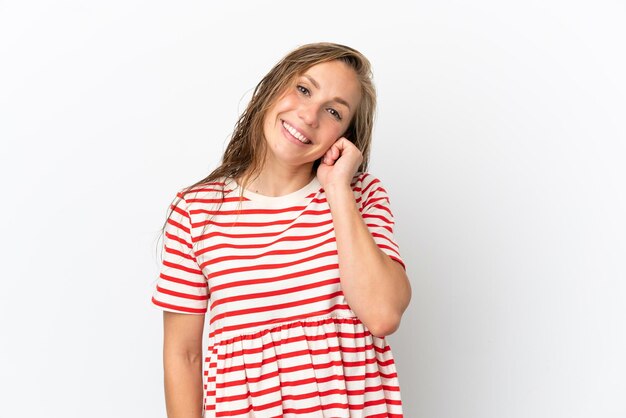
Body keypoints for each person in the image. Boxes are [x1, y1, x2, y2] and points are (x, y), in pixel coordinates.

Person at [151, 42, 412, 418]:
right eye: (303, 89)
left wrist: (337, 187)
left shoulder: (361, 195)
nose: (309, 116)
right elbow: (183, 354)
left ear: (345, 135)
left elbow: (383, 314)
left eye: (334, 111)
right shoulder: (196, 210)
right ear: (271, 89)